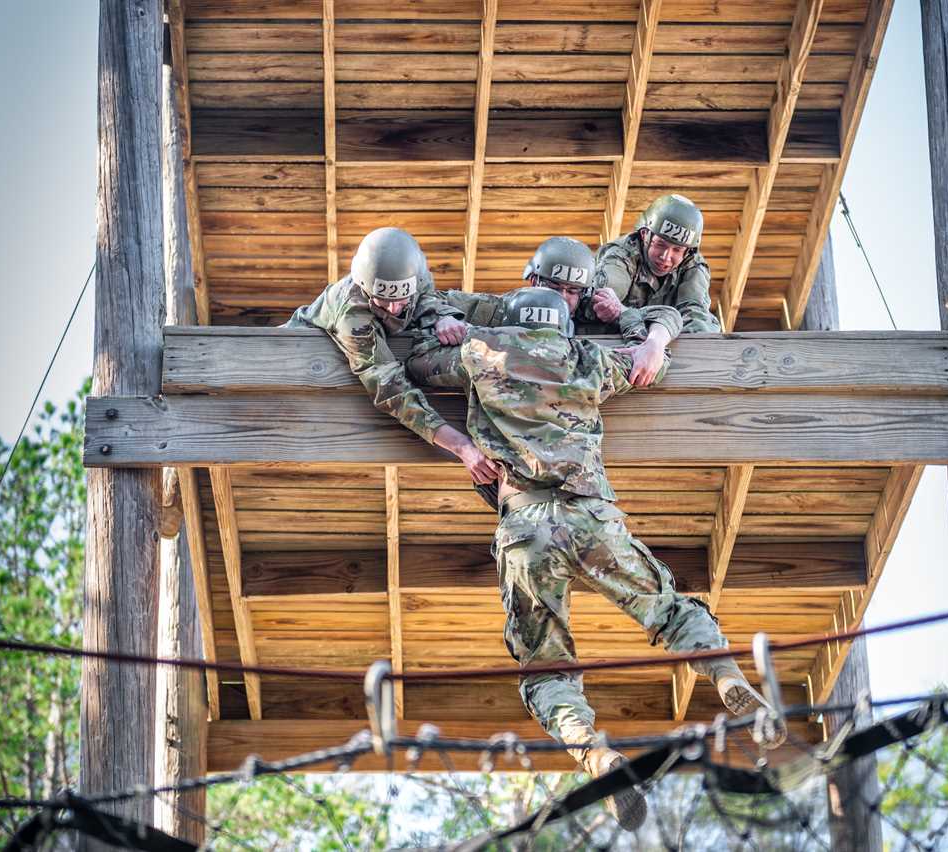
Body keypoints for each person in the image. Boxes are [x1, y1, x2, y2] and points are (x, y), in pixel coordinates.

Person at [419, 285, 782, 831]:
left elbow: (423, 364)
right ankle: (725, 674)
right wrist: (647, 334)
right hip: (593, 518)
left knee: (545, 665)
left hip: (525, 527)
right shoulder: (587, 358)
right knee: (668, 610)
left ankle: (596, 754)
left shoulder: (483, 351)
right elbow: (646, 366)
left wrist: (462, 331)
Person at [282, 227, 496, 485]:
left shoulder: (413, 275)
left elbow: (426, 297)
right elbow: (392, 390)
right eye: (383, 301)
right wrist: (461, 446)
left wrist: (442, 316)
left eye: (401, 300)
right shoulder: (353, 314)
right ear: (365, 287)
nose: (394, 309)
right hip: (292, 360)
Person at [411, 236, 676, 389]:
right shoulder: (505, 308)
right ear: (533, 280)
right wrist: (443, 316)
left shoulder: (592, 309)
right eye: (553, 285)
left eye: (572, 291)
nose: (561, 297)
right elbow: (428, 298)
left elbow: (667, 314)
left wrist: (648, 338)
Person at [591, 193, 720, 335]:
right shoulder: (621, 255)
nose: (666, 257)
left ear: (688, 251)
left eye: (677, 250)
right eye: (660, 244)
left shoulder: (693, 265)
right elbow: (603, 298)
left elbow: (696, 316)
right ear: (644, 235)